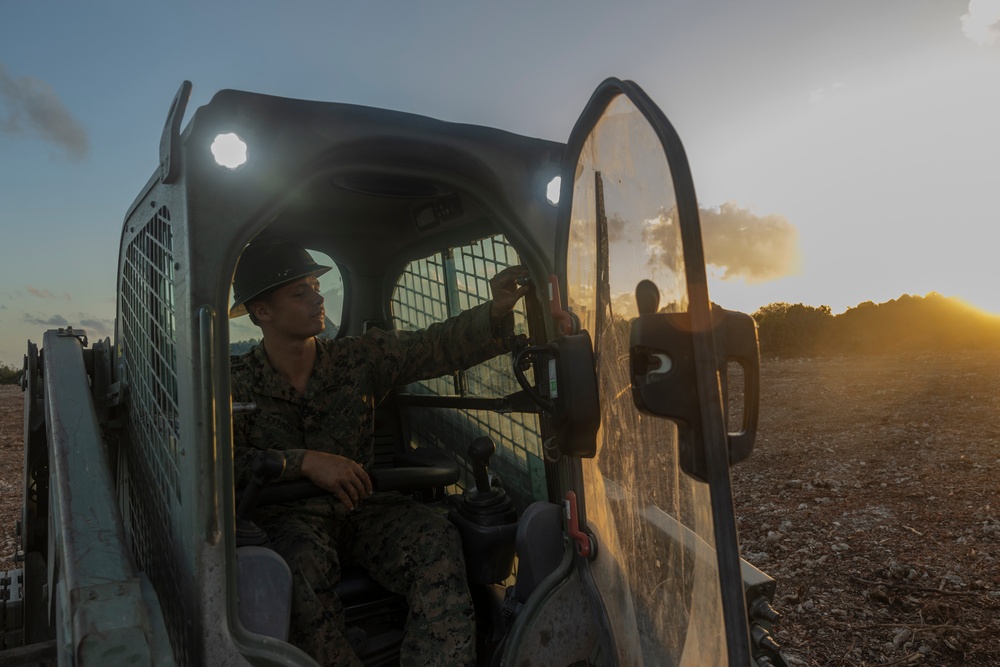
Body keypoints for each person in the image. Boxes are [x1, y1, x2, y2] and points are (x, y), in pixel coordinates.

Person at [229, 236, 530, 666]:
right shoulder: (231, 383)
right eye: (301, 292)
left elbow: (433, 346)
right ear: (263, 311)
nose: (318, 298)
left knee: (434, 539)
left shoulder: (359, 358)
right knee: (296, 565)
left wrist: (496, 310)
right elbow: (216, 467)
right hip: (286, 519)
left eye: (316, 286)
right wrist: (304, 462)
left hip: (361, 508)